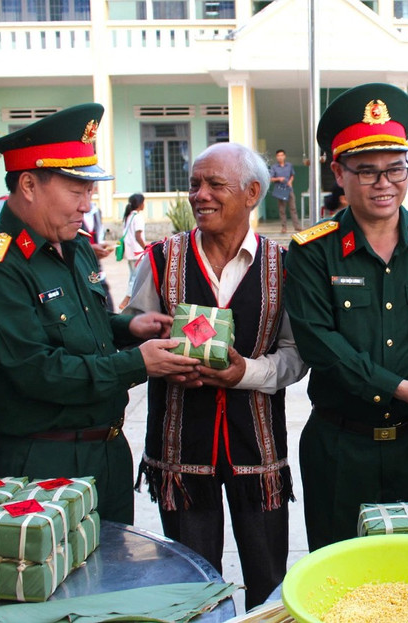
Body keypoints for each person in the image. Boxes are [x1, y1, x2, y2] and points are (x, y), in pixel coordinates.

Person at [0, 103, 200, 524]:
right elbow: (36, 370)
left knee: (114, 580)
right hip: (43, 462)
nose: (86, 204)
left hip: (106, 451)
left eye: (89, 191)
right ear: (30, 184)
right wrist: (138, 363)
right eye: (77, 191)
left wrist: (130, 328)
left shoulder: (70, 246)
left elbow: (80, 326)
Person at [285, 83, 408, 550]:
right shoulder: (313, 251)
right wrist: (399, 388)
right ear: (338, 171)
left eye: (395, 169)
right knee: (339, 576)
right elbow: (319, 343)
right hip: (340, 446)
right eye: (367, 172)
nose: (384, 184)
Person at [126, 142, 307, 607]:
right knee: (190, 584)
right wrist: (164, 360)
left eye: (214, 185)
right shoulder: (161, 259)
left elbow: (295, 357)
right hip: (180, 453)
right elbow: (133, 336)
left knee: (269, 584)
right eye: (194, 185)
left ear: (251, 193)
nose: (200, 195)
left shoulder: (283, 266)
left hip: (258, 454)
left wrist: (245, 371)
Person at [82, 196, 115, 312]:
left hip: (96, 267)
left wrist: (103, 248)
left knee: (106, 305)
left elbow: (100, 235)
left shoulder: (96, 212)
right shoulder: (69, 212)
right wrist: (88, 249)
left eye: (89, 190)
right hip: (80, 267)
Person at [119, 192, 147, 309]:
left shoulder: (128, 216)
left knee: (133, 276)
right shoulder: (138, 217)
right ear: (140, 204)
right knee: (136, 277)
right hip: (137, 252)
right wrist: (146, 248)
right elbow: (138, 235)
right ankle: (127, 299)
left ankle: (131, 299)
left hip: (129, 251)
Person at [270, 149, 301, 233]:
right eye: (278, 156)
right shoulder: (274, 167)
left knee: (293, 208)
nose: (280, 157)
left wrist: (290, 181)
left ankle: (297, 227)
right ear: (276, 157)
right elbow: (270, 179)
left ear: (284, 156)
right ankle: (284, 227)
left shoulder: (289, 165)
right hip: (280, 190)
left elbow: (292, 175)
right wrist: (278, 178)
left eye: (281, 155)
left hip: (289, 189)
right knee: (282, 209)